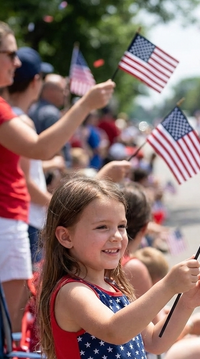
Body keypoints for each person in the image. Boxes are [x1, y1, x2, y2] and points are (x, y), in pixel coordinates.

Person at [36, 176, 200, 359]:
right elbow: (114, 330)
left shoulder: (115, 287)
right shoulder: (72, 291)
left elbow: (154, 341)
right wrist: (167, 286)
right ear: (65, 236)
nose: (117, 236)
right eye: (102, 227)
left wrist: (185, 303)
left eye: (121, 226)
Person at [0, 20, 115, 332]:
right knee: (8, 332)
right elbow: (40, 148)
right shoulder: (6, 111)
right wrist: (84, 105)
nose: (17, 61)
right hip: (9, 221)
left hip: (15, 221)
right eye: (10, 53)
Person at [6, 47, 64, 267]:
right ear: (35, 82)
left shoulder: (15, 119)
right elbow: (26, 183)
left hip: (24, 220)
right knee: (23, 299)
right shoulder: (20, 121)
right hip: (27, 221)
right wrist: (59, 206)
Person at [29, 73, 71, 167]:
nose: (65, 94)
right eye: (62, 90)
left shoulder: (32, 108)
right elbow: (56, 145)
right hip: (51, 170)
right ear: (50, 91)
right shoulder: (51, 113)